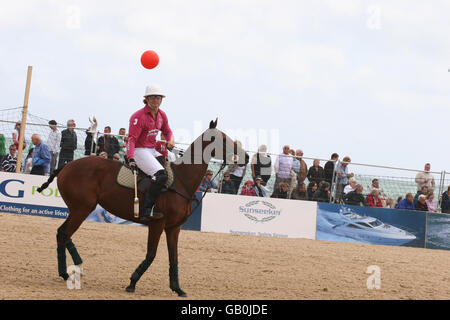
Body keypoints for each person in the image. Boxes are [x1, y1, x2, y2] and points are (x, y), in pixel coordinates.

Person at [127, 84, 174, 220]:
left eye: (158, 98)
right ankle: (146, 210)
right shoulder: (138, 116)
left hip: (152, 150)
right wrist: (130, 158)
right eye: (152, 97)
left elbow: (168, 131)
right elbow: (131, 139)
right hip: (139, 150)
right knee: (161, 176)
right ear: (146, 99)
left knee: (171, 173)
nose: (155, 100)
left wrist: (171, 140)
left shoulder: (161, 115)